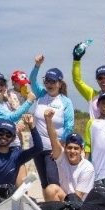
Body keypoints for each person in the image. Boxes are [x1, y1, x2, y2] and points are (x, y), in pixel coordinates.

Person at [30, 61, 75, 191]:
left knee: (54, 183)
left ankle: (58, 209)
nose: (49, 84)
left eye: (53, 82)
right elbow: (32, 80)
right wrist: (37, 65)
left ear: (60, 84)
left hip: (53, 149)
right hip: (37, 147)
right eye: (47, 81)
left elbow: (69, 126)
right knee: (44, 184)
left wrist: (61, 144)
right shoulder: (41, 94)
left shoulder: (65, 102)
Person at [43, 108, 95, 201]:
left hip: (80, 204)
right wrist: (48, 120)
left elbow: (78, 197)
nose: (72, 151)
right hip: (66, 198)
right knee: (50, 189)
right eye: (69, 148)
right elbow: (54, 139)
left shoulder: (87, 168)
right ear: (65, 148)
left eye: (76, 148)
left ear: (81, 150)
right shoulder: (63, 157)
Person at [0, 70, 37, 148]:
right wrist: (29, 101)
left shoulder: (6, 102)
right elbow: (11, 118)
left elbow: (14, 118)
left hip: (15, 145)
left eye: (2, 84)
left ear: (5, 87)